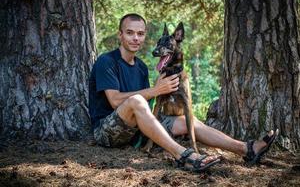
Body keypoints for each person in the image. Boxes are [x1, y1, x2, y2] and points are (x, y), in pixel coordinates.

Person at [88, 13, 278, 171]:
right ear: (120, 35)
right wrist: (155, 90)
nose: (135, 38)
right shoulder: (107, 61)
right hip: (107, 131)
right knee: (137, 100)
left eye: (140, 33)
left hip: (137, 130)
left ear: (145, 36)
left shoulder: (142, 68)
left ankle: (247, 149)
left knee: (188, 121)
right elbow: (114, 101)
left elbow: (148, 104)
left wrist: (162, 96)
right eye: (130, 33)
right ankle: (183, 155)